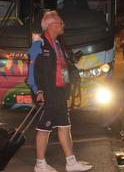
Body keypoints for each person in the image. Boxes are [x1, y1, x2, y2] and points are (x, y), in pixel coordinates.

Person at [28, 11, 92, 172]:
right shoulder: (38, 44)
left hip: (59, 93)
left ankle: (71, 163)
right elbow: (31, 72)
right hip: (47, 94)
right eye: (60, 23)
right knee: (44, 129)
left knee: (65, 126)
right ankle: (40, 165)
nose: (63, 25)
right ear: (50, 25)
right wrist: (38, 91)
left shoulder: (57, 44)